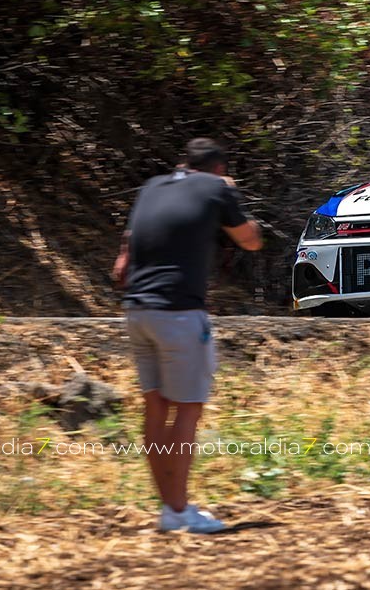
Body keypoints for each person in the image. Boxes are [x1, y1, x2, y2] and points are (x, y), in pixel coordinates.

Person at [112, 138, 263, 533]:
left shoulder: (152, 186)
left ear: (183, 163)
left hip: (137, 310)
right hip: (178, 312)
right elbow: (250, 240)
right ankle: (179, 512)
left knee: (156, 406)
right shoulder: (216, 187)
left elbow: (125, 252)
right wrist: (231, 194)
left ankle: (171, 507)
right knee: (189, 408)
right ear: (217, 168)